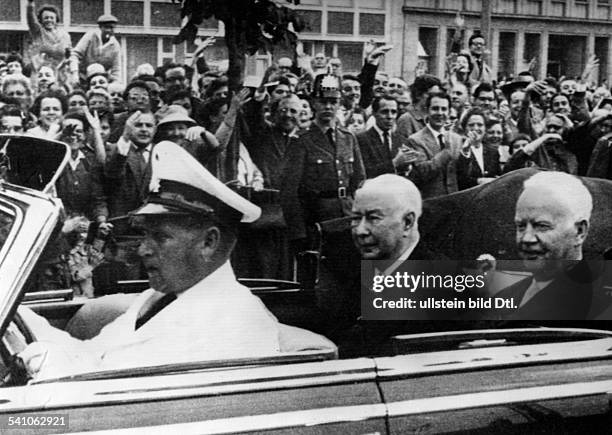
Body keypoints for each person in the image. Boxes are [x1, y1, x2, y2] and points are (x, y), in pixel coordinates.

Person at [18, 141, 335, 380]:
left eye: (160, 237)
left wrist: (35, 352)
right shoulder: (162, 297)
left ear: (209, 242)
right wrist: (24, 323)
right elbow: (95, 354)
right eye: (145, 236)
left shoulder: (230, 321)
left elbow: (106, 390)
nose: (143, 250)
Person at [485, 171, 594, 320]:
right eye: (521, 226)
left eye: (542, 226)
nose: (527, 238)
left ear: (580, 231)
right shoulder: (507, 296)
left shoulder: (597, 301)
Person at [402, 92, 463, 198]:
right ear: (427, 111)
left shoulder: (456, 139)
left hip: (454, 199)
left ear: (449, 112)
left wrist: (466, 155)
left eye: (444, 109)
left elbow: (461, 172)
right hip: (430, 202)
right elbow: (423, 172)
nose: (440, 113)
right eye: (435, 108)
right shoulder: (415, 140)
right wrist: (445, 153)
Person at [356, 96, 408, 179]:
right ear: (374, 113)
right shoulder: (361, 139)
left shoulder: (401, 139)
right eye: (384, 112)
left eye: (393, 112)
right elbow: (365, 171)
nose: (390, 116)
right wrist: (394, 163)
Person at [71, 14, 122, 83]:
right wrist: (75, 74)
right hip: (82, 78)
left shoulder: (115, 46)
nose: (109, 30)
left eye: (112, 28)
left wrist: (115, 84)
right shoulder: (90, 36)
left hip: (99, 81)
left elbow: (116, 70)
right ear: (100, 27)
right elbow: (75, 54)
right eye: (106, 27)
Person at [25, 0, 72, 72]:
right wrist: (30, 4)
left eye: (52, 18)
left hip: (60, 72)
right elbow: (31, 18)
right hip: (41, 72)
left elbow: (70, 54)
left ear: (56, 19)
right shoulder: (38, 32)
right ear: (41, 20)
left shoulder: (65, 35)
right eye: (46, 18)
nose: (49, 20)